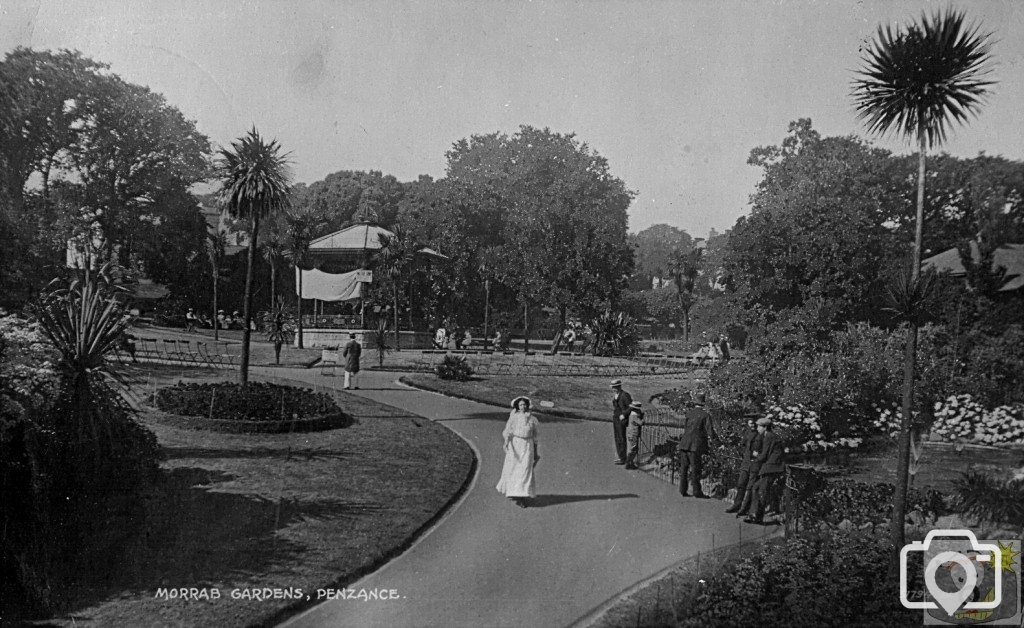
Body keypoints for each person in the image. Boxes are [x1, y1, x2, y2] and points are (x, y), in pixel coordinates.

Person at [496, 396, 540, 508]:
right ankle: (514, 493)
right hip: (516, 445)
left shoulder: (533, 420)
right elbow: (507, 431)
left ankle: (521, 495)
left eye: (524, 404)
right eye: (521, 405)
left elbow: (535, 437)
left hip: (528, 445)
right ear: (517, 406)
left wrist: (535, 453)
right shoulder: (514, 418)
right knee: (513, 468)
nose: (523, 407)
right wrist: (506, 442)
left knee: (525, 469)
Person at [676, 391, 718, 498]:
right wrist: (717, 442)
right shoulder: (705, 415)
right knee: (695, 469)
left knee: (684, 468)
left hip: (684, 443)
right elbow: (710, 431)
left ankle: (682, 490)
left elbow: (685, 428)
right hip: (695, 445)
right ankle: (696, 492)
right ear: (704, 403)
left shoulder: (689, 413)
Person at [745, 417, 785, 525]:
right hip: (770, 467)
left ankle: (757, 517)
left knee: (761, 490)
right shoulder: (769, 436)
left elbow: (764, 454)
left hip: (772, 468)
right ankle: (754, 515)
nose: (757, 428)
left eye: (759, 426)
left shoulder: (769, 437)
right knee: (756, 488)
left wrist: (755, 456)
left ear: (765, 427)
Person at [726, 417, 762, 514]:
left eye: (754, 423)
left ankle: (745, 509)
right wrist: (745, 454)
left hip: (755, 464)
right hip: (746, 463)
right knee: (741, 484)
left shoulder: (761, 434)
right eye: (750, 423)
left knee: (750, 487)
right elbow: (742, 445)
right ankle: (736, 505)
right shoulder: (747, 433)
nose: (752, 425)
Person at [610, 380, 633, 465]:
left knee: (621, 438)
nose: (613, 389)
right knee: (617, 437)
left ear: (619, 386)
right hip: (616, 418)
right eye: (613, 387)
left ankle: (623, 458)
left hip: (621, 419)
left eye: (615, 387)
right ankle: (620, 456)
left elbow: (631, 407)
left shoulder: (625, 395)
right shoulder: (616, 395)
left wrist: (624, 414)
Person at [624, 401, 645, 469]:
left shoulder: (632, 414)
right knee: (633, 449)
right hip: (633, 434)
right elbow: (641, 423)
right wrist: (643, 418)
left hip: (630, 433)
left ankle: (630, 463)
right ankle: (628, 462)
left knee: (631, 448)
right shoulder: (635, 416)